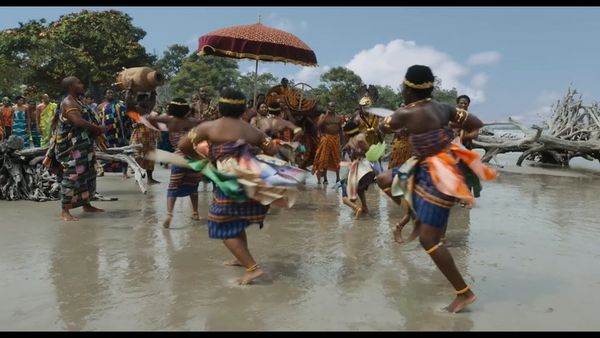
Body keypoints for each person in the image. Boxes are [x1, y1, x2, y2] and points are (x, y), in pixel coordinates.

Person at [376, 65, 496, 313]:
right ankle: (416, 213)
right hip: (426, 164)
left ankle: (464, 293)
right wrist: (449, 129)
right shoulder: (444, 108)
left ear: (408, 88)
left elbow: (384, 127)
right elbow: (476, 122)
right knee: (384, 179)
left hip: (438, 172)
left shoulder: (405, 112)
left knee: (428, 239)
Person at [178, 87, 298, 285]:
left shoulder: (207, 127)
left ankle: (252, 268)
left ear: (220, 107)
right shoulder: (253, 130)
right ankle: (240, 258)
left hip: (230, 181)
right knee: (235, 220)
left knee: (221, 223)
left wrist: (202, 158)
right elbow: (272, 148)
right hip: (249, 182)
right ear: (244, 110)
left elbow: (183, 145)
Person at [43, 76, 106, 221]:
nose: (82, 84)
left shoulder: (79, 101)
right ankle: (65, 211)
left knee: (88, 175)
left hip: (84, 146)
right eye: (78, 82)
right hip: (71, 149)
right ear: (71, 86)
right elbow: (78, 122)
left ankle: (86, 204)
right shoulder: (68, 102)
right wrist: (98, 128)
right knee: (72, 177)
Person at [146, 98, 203, 228]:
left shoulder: (170, 120)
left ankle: (169, 214)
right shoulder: (192, 121)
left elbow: (151, 119)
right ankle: (195, 212)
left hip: (178, 158)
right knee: (194, 187)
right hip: (194, 158)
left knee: (173, 187)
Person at [339, 121, 381, 219]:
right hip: (365, 168)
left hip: (362, 167)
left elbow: (368, 150)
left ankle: (356, 208)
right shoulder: (358, 137)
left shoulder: (357, 139)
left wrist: (358, 153)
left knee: (345, 196)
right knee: (360, 189)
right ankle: (365, 207)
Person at [96, 89, 131, 178]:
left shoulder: (121, 104)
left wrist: (127, 132)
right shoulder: (101, 106)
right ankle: (103, 171)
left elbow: (127, 118)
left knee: (123, 152)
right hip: (108, 134)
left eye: (112, 92)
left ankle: (124, 173)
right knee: (107, 152)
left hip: (120, 133)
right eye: (108, 93)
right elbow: (98, 121)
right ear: (105, 95)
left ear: (115, 94)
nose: (110, 94)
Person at [129, 100, 161, 185]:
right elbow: (132, 126)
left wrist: (158, 135)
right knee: (138, 158)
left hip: (150, 140)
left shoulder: (154, 114)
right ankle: (138, 178)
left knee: (150, 159)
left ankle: (150, 179)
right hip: (139, 139)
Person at [313, 102, 343, 184]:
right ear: (328, 107)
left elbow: (340, 129)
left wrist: (342, 140)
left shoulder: (338, 117)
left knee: (337, 159)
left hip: (336, 139)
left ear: (335, 107)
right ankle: (325, 179)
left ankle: (338, 178)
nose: (332, 108)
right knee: (324, 159)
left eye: (333, 106)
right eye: (330, 106)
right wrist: (326, 115)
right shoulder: (323, 116)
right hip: (326, 138)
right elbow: (318, 126)